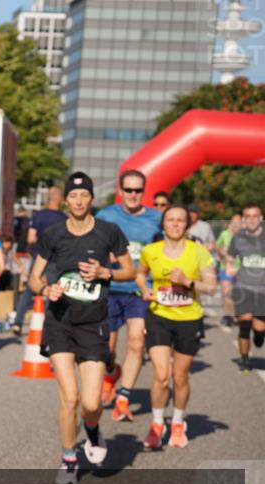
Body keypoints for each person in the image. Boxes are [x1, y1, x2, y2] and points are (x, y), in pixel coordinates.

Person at [28, 172, 133, 484]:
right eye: (73, 196)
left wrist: (105, 271)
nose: (78, 201)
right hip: (60, 323)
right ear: (66, 200)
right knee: (69, 397)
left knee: (91, 403)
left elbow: (131, 270)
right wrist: (47, 291)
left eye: (84, 195)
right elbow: (34, 279)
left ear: (90, 199)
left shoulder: (108, 232)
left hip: (93, 324)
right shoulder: (54, 234)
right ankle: (69, 458)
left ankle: (93, 430)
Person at [135, 205, 216, 450]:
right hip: (159, 316)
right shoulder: (151, 251)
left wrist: (187, 282)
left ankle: (178, 421)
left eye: (180, 220)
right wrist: (145, 290)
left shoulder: (198, 252)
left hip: (189, 318)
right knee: (161, 375)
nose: (175, 224)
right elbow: (140, 274)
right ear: (163, 223)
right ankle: (158, 422)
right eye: (170, 220)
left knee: (180, 377)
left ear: (187, 224)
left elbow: (210, 286)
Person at [96, 170, 162, 420]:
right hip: (110, 287)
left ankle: (123, 397)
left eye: (138, 191)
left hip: (138, 290)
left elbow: (165, 249)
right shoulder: (107, 215)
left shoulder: (156, 219)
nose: (133, 195)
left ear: (144, 192)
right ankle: (111, 372)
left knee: (136, 342)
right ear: (120, 191)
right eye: (128, 190)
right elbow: (92, 243)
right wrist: (104, 256)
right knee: (106, 349)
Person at [12, 185, 66, 334]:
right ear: (60, 199)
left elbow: (30, 238)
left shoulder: (39, 215)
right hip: (56, 259)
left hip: (39, 257)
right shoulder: (64, 218)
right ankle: (48, 325)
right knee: (52, 291)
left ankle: (17, 322)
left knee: (30, 289)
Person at [226, 204, 265, 373]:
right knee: (244, 324)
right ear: (243, 219)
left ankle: (259, 335)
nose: (251, 219)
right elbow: (229, 257)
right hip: (243, 287)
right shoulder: (238, 237)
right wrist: (230, 268)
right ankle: (244, 358)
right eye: (247, 216)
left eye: (254, 216)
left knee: (259, 328)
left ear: (260, 218)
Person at [216, 213, 242, 327]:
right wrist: (221, 251)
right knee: (226, 292)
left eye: (239, 222)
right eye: (234, 222)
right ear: (230, 223)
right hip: (225, 267)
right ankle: (228, 316)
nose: (236, 225)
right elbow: (217, 246)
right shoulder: (224, 234)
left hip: (241, 269)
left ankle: (239, 315)